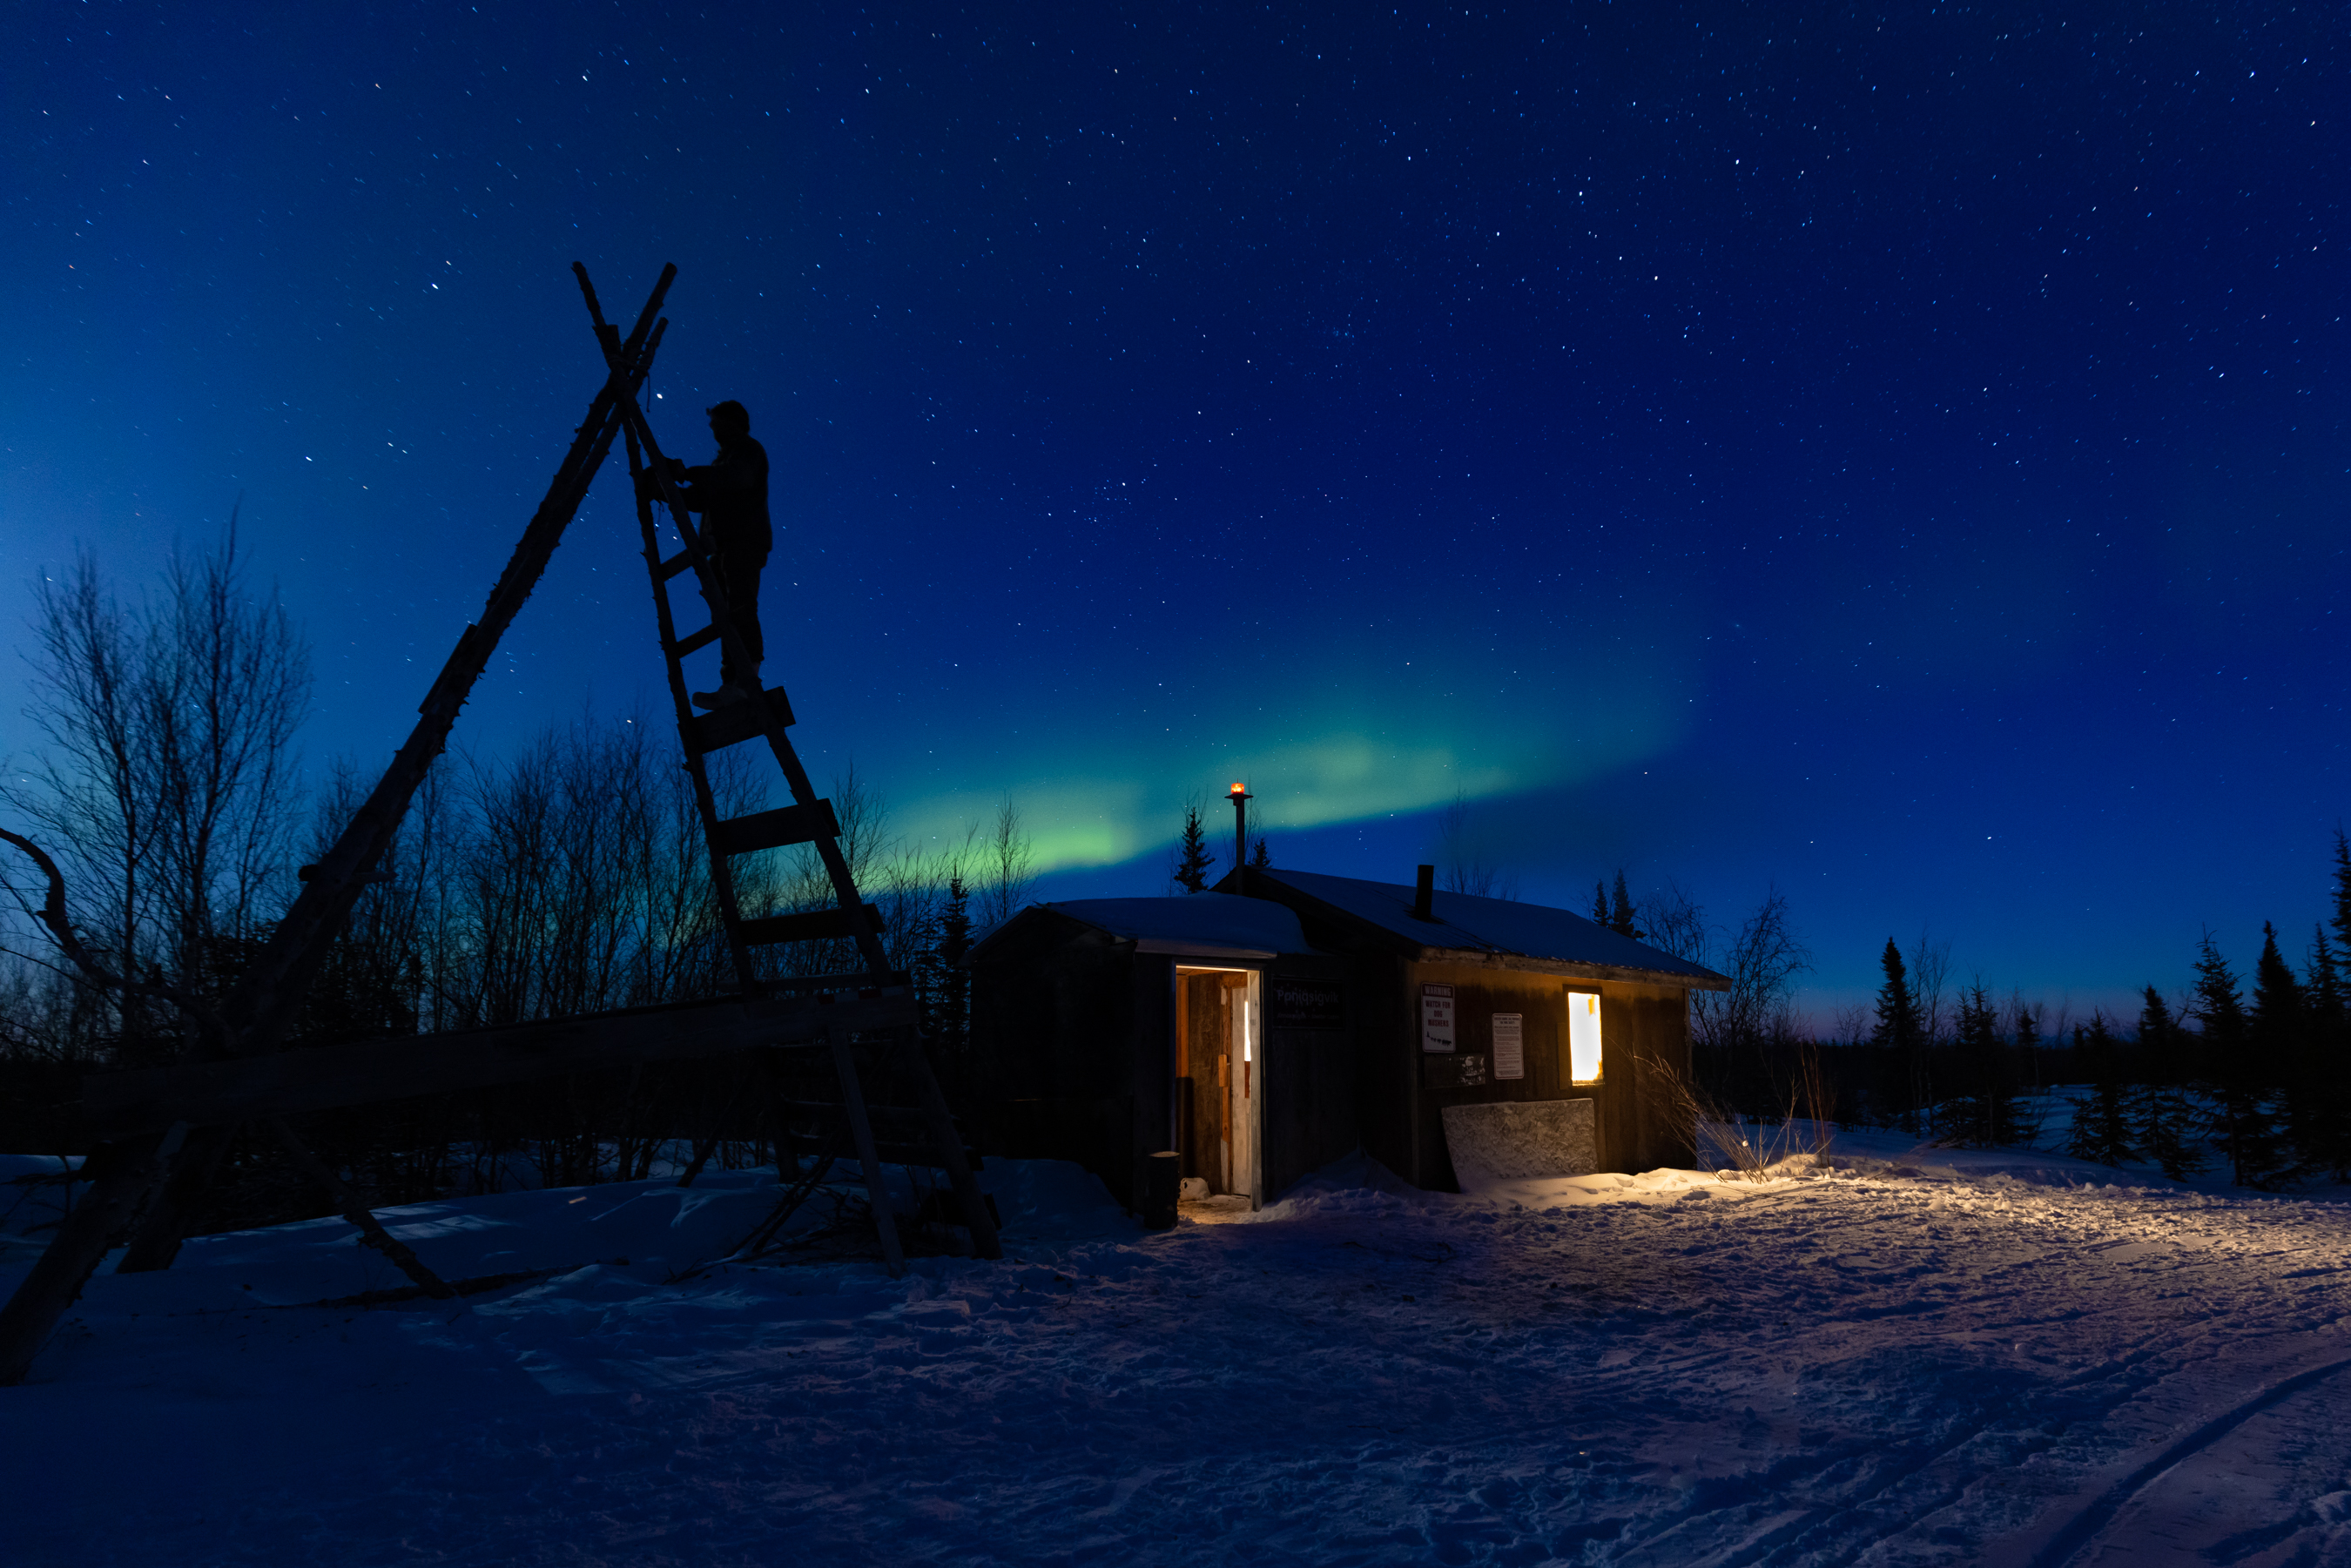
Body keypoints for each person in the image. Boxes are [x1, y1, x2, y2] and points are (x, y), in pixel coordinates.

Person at [655, 400, 771, 709]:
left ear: (734, 422)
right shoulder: (724, 462)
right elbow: (700, 498)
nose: (712, 428)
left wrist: (687, 472)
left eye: (717, 422)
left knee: (740, 606)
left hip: (743, 540)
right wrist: (665, 489)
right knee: (724, 615)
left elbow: (736, 478)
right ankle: (731, 684)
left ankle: (746, 681)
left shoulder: (748, 450)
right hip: (720, 545)